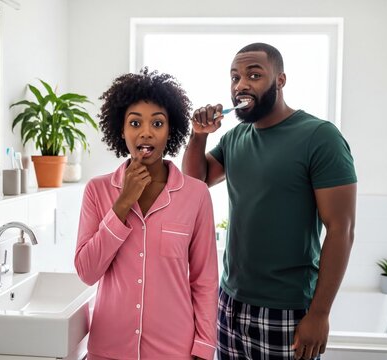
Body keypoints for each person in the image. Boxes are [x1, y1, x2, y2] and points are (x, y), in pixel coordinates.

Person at [182, 43, 357, 360]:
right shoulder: (235, 137)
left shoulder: (320, 136)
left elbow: (341, 229)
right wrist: (198, 135)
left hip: (287, 310)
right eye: (235, 77)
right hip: (229, 302)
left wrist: (319, 314)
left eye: (254, 75)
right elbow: (195, 182)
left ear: (280, 80)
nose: (241, 85)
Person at [75, 68, 218, 360]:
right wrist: (123, 203)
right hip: (108, 350)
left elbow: (204, 280)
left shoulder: (196, 194)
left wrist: (204, 349)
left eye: (157, 123)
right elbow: (87, 272)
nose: (146, 132)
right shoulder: (97, 190)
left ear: (171, 130)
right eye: (135, 122)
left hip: (174, 351)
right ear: (121, 131)